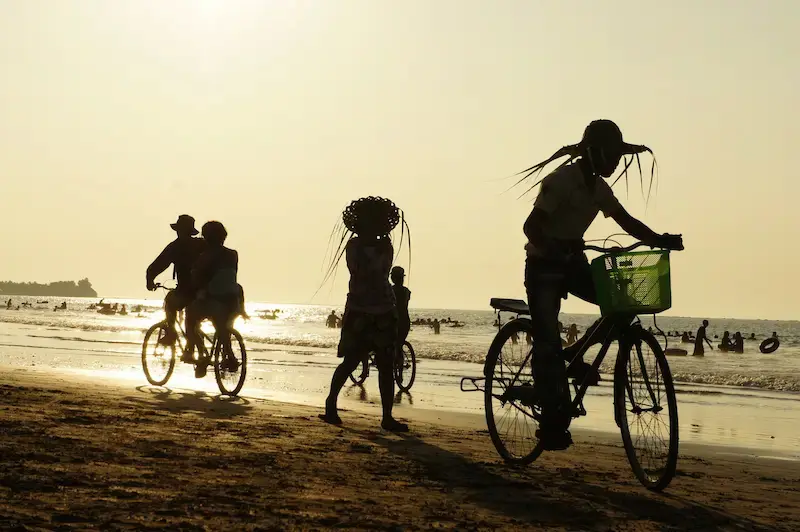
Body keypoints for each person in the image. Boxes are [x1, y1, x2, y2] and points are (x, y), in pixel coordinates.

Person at [520, 119, 683, 450]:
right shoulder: (562, 181)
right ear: (594, 152)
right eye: (612, 155)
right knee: (547, 340)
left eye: (619, 156)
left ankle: (575, 354)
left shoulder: (598, 189)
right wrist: (553, 249)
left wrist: (660, 239)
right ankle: (551, 420)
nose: (616, 162)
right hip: (544, 266)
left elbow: (627, 222)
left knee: (619, 306)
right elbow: (531, 226)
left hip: (574, 263)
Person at [320, 196, 409, 432]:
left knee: (386, 365)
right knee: (351, 361)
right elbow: (361, 271)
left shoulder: (383, 247)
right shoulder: (355, 247)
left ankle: (387, 416)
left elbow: (377, 270)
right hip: (361, 309)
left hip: (381, 310)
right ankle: (331, 404)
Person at [184, 221, 242, 376]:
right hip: (232, 301)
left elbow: (196, 278)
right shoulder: (233, 254)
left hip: (214, 301)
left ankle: (201, 353)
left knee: (190, 316)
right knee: (222, 327)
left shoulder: (206, 256)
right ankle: (229, 355)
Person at [146, 215, 205, 345]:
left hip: (186, 291)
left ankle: (171, 334)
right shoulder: (201, 244)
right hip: (206, 290)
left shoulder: (175, 247)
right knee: (193, 322)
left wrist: (150, 280)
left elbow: (157, 265)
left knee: (169, 302)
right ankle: (195, 349)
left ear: (178, 230)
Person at [390, 266, 412, 365]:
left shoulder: (390, 290)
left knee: (394, 344)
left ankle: (395, 364)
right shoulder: (406, 291)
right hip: (405, 322)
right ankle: (398, 368)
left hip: (395, 321)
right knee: (398, 344)